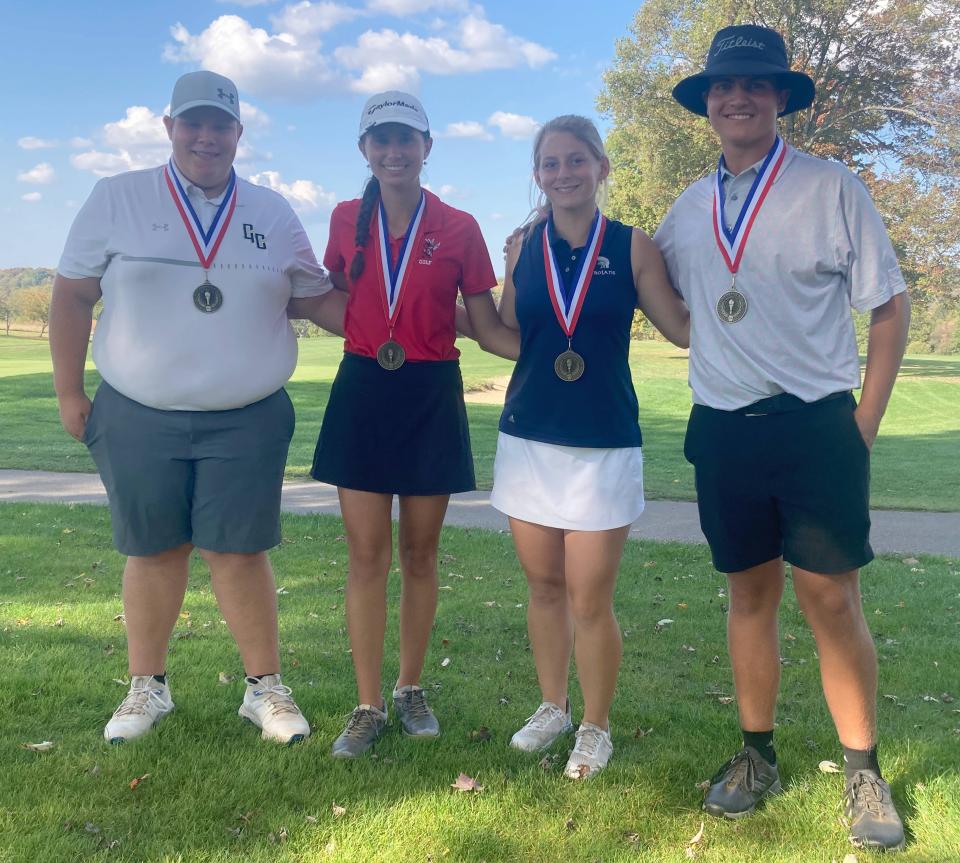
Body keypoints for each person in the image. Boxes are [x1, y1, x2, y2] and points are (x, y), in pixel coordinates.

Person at [655, 25, 910, 850]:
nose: (738, 98)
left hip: (814, 424)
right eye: (724, 88)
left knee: (831, 597)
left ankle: (863, 769)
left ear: (778, 98)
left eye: (757, 85)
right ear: (707, 106)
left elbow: (888, 307)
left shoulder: (831, 185)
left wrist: (862, 421)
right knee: (748, 595)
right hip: (723, 430)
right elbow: (670, 309)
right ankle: (756, 754)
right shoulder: (686, 211)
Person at [50, 70, 344, 745]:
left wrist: (395, 322)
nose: (206, 136)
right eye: (193, 123)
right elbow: (71, 296)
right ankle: (146, 686)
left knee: (239, 551)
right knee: (154, 549)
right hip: (137, 409)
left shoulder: (271, 211)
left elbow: (313, 298)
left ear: (239, 133)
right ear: (170, 128)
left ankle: (263, 687)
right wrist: (70, 391)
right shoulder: (116, 197)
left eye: (220, 124)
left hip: (246, 412)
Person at [308, 91, 517, 758]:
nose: (394, 151)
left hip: (430, 391)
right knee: (367, 554)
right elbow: (338, 293)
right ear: (365, 150)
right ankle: (367, 703)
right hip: (364, 387)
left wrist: (560, 344)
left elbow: (485, 325)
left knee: (420, 554)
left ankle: (409, 686)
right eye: (381, 140)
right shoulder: (345, 219)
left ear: (427, 147)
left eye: (406, 139)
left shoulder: (458, 226)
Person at [488, 116, 689, 779]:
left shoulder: (633, 247)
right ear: (538, 174)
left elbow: (681, 328)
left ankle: (596, 726)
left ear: (602, 168)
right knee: (544, 586)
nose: (563, 173)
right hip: (528, 436)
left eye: (576, 160)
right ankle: (554, 705)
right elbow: (512, 331)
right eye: (550, 163)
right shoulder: (523, 247)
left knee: (588, 597)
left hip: (603, 442)